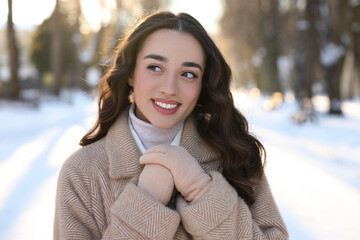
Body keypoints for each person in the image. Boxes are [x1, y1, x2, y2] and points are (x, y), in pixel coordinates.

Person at [54, 10, 289, 239]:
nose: (169, 88)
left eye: (188, 74)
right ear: (130, 74)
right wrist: (146, 205)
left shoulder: (235, 153)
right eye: (155, 67)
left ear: (203, 84)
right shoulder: (81, 172)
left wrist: (202, 190)